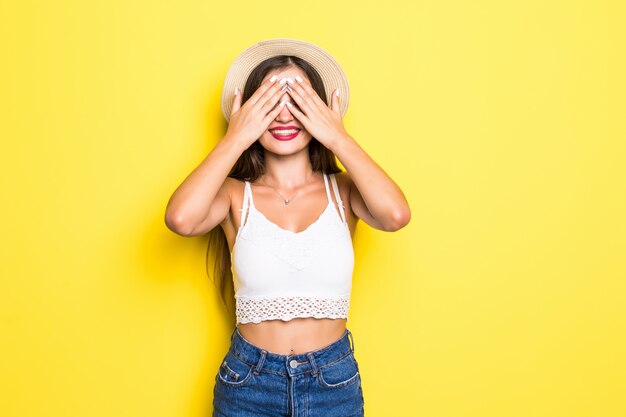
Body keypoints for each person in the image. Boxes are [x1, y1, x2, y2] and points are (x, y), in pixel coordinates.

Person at [164, 38, 411, 417]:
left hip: (333, 382)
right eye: (269, 103)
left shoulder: (343, 191)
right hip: (248, 383)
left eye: (297, 101)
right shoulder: (233, 195)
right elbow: (180, 219)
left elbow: (395, 215)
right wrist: (236, 136)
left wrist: (337, 136)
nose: (283, 116)